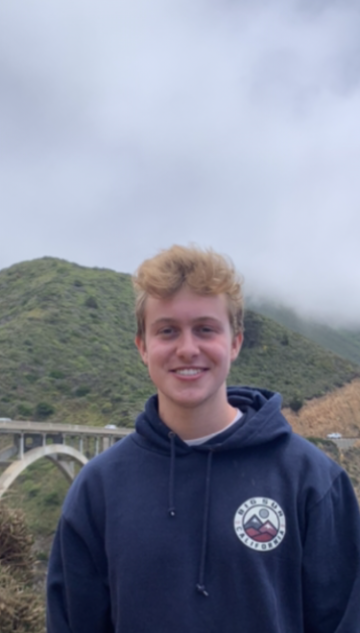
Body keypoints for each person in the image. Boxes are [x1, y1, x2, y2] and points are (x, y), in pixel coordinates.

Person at [47, 245, 360, 633]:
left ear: (235, 342)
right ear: (142, 346)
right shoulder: (97, 490)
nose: (187, 349)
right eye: (167, 331)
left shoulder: (312, 480)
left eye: (205, 329)